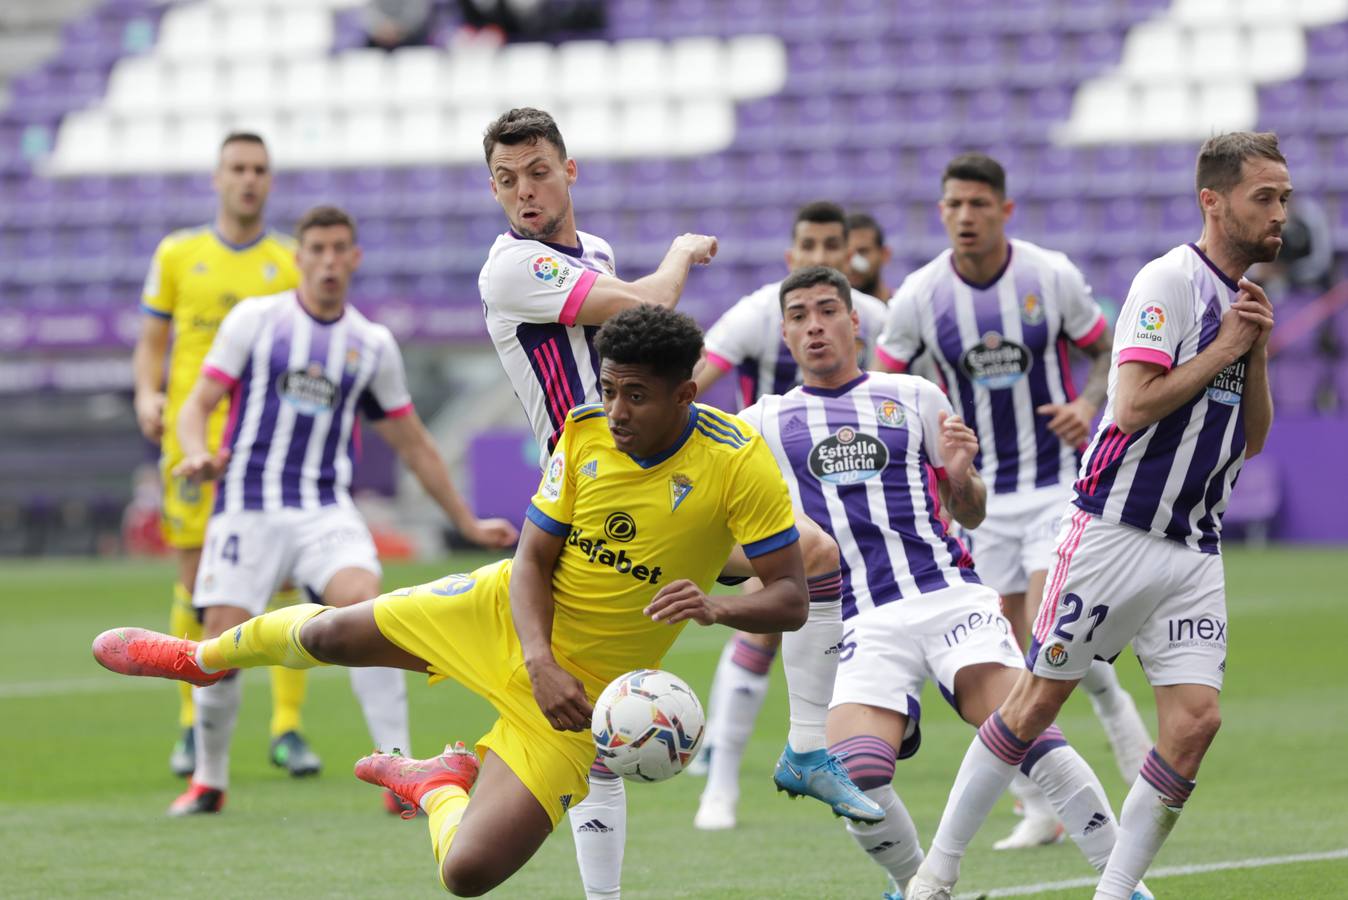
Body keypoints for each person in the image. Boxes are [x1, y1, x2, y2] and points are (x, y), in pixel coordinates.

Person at [93, 305, 811, 897]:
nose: (616, 409)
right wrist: (536, 657)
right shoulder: (586, 436)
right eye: (610, 387)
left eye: (637, 396)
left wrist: (717, 609)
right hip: (504, 617)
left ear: (686, 395)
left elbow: (789, 596)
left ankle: (437, 784)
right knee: (334, 635)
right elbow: (532, 559)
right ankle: (201, 658)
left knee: (465, 875)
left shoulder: (738, 465)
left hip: (578, 700)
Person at [476, 107, 877, 899]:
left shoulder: (591, 254)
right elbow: (655, 305)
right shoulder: (509, 268)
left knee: (814, 560)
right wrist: (684, 251)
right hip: (589, 499)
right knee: (598, 721)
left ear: (570, 170)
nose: (523, 191)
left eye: (537, 172)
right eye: (505, 179)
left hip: (655, 477)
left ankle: (803, 748)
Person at [904, 132, 1286, 900]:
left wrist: (1256, 352)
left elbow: (1250, 436)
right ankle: (934, 875)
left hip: (1194, 544)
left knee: (1195, 724)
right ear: (1213, 201)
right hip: (1115, 527)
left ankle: (1114, 891)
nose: (1280, 213)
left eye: (1283, 197)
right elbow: (1133, 402)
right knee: (1037, 698)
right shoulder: (1169, 282)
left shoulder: (1241, 302)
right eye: (1264, 197)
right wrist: (1226, 349)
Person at [742, 265, 1149, 900]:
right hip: (855, 619)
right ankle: (919, 887)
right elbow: (745, 541)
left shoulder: (915, 395)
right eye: (798, 315)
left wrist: (959, 477)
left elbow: (971, 512)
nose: (814, 325)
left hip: (947, 594)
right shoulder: (760, 425)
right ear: (785, 333)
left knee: (1030, 731)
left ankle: (1124, 886)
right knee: (857, 776)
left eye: (827, 310)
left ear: (856, 322)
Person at [152, 204, 517, 816]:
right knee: (219, 643)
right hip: (248, 506)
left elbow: (417, 445)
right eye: (315, 249)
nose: (327, 261)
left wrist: (466, 522)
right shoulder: (255, 321)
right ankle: (208, 780)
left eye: (338, 249)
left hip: (325, 509)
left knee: (368, 611)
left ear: (354, 258)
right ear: (299, 258)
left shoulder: (371, 344)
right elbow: (197, 404)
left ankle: (398, 768)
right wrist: (196, 452)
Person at [875, 152, 1154, 850]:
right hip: (978, 499)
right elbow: (883, 389)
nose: (965, 216)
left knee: (1043, 638)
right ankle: (1038, 804)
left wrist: (1089, 405)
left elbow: (1105, 350)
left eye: (978, 204)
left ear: (1004, 209)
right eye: (953, 206)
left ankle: (1124, 752)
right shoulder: (919, 296)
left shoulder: (1047, 275)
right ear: (941, 213)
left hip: (1057, 484)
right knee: (1006, 655)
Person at [690, 200, 891, 832]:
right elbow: (697, 378)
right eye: (811, 245)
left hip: (857, 493)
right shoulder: (758, 314)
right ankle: (719, 787)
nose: (824, 257)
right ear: (791, 256)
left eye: (835, 246)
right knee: (762, 627)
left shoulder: (876, 319)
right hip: (777, 495)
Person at [133, 132, 320, 782]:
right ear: (217, 177)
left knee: (286, 579)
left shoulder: (290, 261)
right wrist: (147, 393)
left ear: (270, 181)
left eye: (260, 170)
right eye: (238, 168)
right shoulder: (178, 254)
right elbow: (153, 339)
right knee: (194, 578)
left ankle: (287, 729)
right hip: (192, 444)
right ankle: (192, 722)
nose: (249, 180)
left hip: (264, 448)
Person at [845, 211, 894, 301]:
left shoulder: (902, 307)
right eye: (847, 254)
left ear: (885, 255)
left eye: (862, 251)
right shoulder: (827, 313)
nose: (853, 263)